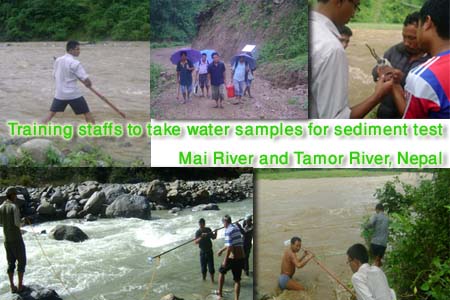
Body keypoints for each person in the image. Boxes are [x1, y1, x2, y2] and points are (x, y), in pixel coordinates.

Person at [310, 0, 394, 118]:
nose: (354, 13)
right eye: (355, 6)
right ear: (338, 1)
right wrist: (378, 95)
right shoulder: (332, 48)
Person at [391, 0, 449, 118]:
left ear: (427, 22)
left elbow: (413, 129)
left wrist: (395, 85)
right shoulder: (395, 50)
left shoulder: (423, 77)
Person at [372, 12, 431, 118]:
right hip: (385, 113)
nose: (406, 43)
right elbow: (375, 71)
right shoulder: (394, 50)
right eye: (404, 37)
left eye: (412, 38)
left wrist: (402, 79)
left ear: (424, 33)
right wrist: (380, 72)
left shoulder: (432, 59)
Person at [43, 41, 94, 123]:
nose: (79, 51)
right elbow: (86, 79)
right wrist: (88, 84)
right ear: (70, 50)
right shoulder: (75, 63)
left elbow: (54, 75)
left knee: (51, 114)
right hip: (73, 94)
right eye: (77, 49)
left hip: (60, 94)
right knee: (87, 113)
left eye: (79, 49)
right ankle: (94, 132)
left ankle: (37, 130)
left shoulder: (58, 60)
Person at [0, 187, 27, 294]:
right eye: (15, 194)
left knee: (10, 263)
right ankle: (20, 286)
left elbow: (1, 222)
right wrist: (24, 221)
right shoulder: (14, 207)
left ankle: (12, 286)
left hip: (7, 240)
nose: (16, 196)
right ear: (11, 195)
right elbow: (17, 223)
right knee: (22, 261)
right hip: (17, 239)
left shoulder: (1, 207)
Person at [217, 215, 245, 300]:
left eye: (223, 223)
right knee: (237, 280)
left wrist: (225, 261)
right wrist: (221, 250)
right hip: (241, 257)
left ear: (225, 222)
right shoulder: (235, 228)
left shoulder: (228, 231)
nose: (223, 225)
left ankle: (220, 294)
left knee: (221, 272)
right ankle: (236, 299)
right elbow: (231, 243)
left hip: (233, 258)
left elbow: (230, 247)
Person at [194, 218, 217, 282]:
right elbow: (196, 242)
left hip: (209, 251)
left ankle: (212, 281)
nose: (201, 225)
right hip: (202, 252)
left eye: (202, 223)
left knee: (211, 268)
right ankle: (204, 280)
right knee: (203, 269)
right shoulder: (198, 232)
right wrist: (201, 237)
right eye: (200, 223)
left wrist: (216, 232)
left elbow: (214, 237)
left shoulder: (208, 229)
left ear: (204, 223)